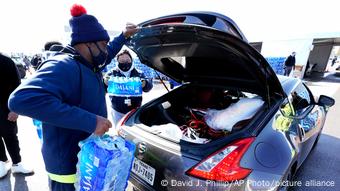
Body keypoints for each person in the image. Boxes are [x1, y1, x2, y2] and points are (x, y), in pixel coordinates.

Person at [8, 4, 137, 191]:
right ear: (86, 44)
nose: (105, 51)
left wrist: (123, 36)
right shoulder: (63, 65)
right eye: (101, 45)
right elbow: (21, 99)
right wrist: (91, 121)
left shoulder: (90, 63)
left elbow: (108, 55)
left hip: (85, 164)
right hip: (67, 172)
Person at [0, 53, 34, 178]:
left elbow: (18, 86)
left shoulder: (6, 62)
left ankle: (17, 163)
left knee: (10, 135)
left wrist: (15, 109)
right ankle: (2, 162)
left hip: (6, 107)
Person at [104, 50, 153, 126]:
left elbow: (149, 87)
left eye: (127, 60)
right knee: (119, 131)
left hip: (134, 111)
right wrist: (104, 82)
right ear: (117, 61)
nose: (125, 63)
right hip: (117, 111)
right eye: (122, 61)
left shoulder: (139, 73)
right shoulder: (111, 74)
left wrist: (145, 83)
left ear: (131, 60)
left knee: (133, 132)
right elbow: (102, 89)